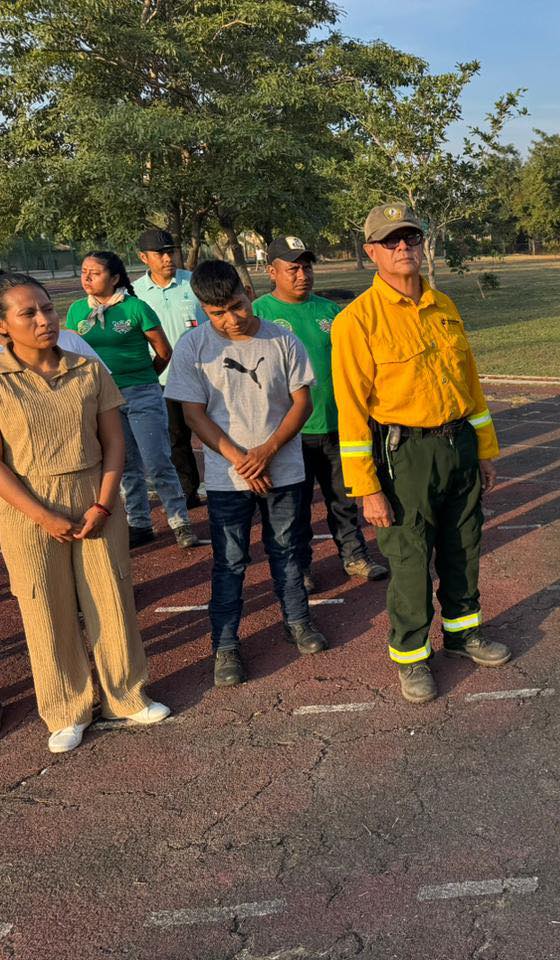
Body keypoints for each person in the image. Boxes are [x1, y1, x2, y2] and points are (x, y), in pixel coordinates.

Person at [331, 202, 509, 704]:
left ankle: (463, 634)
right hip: (404, 453)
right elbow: (351, 411)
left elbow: (469, 384)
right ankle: (411, 655)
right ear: (371, 252)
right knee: (409, 558)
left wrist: (485, 449)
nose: (403, 247)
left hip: (458, 444)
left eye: (410, 237)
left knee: (463, 544)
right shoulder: (356, 321)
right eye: (391, 241)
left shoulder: (443, 305)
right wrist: (366, 487)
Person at [0, 274, 169, 753]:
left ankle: (126, 695)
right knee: (44, 608)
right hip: (27, 508)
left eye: (47, 308)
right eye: (28, 313)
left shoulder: (88, 369)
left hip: (95, 496)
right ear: (3, 326)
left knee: (111, 597)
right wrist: (43, 516)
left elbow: (114, 442)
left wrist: (104, 502)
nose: (44, 320)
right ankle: (66, 710)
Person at [165, 260, 328, 687]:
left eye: (237, 306)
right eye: (217, 313)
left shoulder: (282, 339)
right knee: (231, 561)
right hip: (227, 477)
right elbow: (194, 414)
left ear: (248, 291)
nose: (231, 319)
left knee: (287, 550)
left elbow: (302, 404)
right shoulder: (193, 347)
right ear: (203, 308)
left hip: (282, 469)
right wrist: (241, 459)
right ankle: (225, 644)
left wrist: (267, 451)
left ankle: (298, 621)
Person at [253, 235, 388, 591]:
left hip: (336, 424)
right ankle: (301, 566)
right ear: (272, 272)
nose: (303, 275)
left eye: (307, 267)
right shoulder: (258, 314)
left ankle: (354, 555)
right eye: (293, 269)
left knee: (343, 500)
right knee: (295, 508)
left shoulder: (331, 312)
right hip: (290, 432)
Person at [66, 251, 199, 549]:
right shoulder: (77, 311)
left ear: (114, 278)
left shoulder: (136, 307)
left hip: (141, 393)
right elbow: (74, 353)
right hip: (104, 400)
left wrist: (143, 378)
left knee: (157, 460)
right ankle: (139, 523)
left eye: (95, 273)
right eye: (84, 271)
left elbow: (164, 352)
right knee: (125, 464)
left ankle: (180, 522)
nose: (87, 278)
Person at [133, 228, 208, 508]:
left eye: (170, 251)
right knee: (177, 439)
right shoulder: (135, 292)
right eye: (160, 253)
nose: (168, 258)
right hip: (163, 378)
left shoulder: (194, 283)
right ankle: (188, 492)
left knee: (218, 430)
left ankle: (239, 485)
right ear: (144, 257)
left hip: (203, 376)